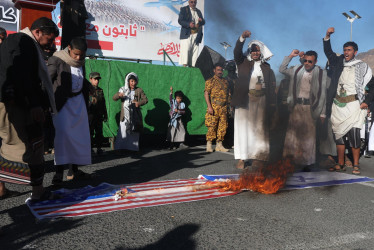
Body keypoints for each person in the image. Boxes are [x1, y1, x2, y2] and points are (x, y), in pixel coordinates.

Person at [0, 17, 59, 201]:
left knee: (34, 143)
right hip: (16, 104)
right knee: (25, 146)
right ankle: (36, 190)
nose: (51, 43)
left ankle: (36, 190)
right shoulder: (21, 40)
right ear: (38, 32)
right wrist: (34, 104)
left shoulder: (28, 44)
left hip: (20, 102)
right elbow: (17, 71)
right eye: (50, 39)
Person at [323, 27, 374, 174]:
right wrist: (327, 36)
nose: (346, 52)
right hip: (338, 104)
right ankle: (341, 163)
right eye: (345, 50)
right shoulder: (338, 62)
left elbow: (372, 85)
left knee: (354, 136)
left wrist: (367, 101)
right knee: (338, 136)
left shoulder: (363, 66)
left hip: (354, 105)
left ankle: (356, 164)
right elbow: (328, 52)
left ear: (355, 52)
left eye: (349, 50)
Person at [48, 37, 92, 184]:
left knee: (78, 137)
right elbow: (47, 79)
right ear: (69, 49)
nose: (78, 58)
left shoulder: (81, 63)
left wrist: (89, 87)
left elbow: (78, 78)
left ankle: (74, 171)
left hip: (78, 103)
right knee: (62, 138)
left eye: (82, 55)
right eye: (76, 54)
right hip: (63, 104)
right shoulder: (58, 59)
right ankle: (58, 173)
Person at [231, 30, 276, 169]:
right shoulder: (242, 62)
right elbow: (237, 52)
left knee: (259, 130)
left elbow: (272, 87)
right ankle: (242, 158)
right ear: (249, 52)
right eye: (253, 51)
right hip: (245, 101)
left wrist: (272, 104)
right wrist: (242, 38)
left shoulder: (267, 68)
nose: (255, 53)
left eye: (257, 51)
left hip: (261, 102)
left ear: (261, 52)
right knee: (243, 129)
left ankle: (258, 157)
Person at [279, 50, 329, 171]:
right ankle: (290, 161)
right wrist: (290, 56)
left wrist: (322, 114)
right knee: (292, 136)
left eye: (310, 61)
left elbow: (323, 95)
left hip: (311, 108)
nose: (307, 63)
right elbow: (282, 69)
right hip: (296, 106)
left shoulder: (322, 74)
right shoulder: (296, 69)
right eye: (305, 60)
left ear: (315, 62)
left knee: (308, 137)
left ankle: (307, 163)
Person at [113, 72, 148, 152]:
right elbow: (114, 98)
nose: (133, 83)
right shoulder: (123, 89)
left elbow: (145, 99)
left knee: (134, 131)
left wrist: (138, 103)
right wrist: (119, 95)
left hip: (135, 115)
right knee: (123, 130)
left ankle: (133, 148)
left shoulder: (139, 90)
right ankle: (121, 148)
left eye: (134, 81)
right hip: (125, 114)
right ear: (128, 81)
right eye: (131, 81)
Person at [204, 63, 230, 152]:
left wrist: (229, 106)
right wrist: (209, 107)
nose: (220, 72)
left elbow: (228, 94)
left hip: (224, 107)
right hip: (214, 106)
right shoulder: (210, 81)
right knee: (212, 126)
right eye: (218, 70)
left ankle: (219, 145)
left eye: (221, 70)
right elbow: (206, 94)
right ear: (214, 70)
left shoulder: (225, 81)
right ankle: (209, 144)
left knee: (223, 126)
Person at [178, 0, 205, 67]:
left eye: (194, 2)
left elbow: (203, 22)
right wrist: (189, 24)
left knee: (194, 54)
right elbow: (180, 20)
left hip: (196, 35)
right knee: (186, 51)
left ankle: (192, 69)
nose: (193, 3)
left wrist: (201, 21)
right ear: (188, 2)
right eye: (191, 2)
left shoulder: (198, 11)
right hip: (187, 34)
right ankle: (184, 69)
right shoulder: (184, 9)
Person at [88, 72, 108, 155]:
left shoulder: (100, 90)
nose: (97, 81)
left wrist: (105, 114)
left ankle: (99, 149)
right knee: (90, 132)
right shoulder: (87, 90)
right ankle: (90, 149)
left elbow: (103, 103)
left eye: (98, 79)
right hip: (90, 115)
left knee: (99, 133)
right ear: (90, 79)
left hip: (99, 115)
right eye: (95, 79)